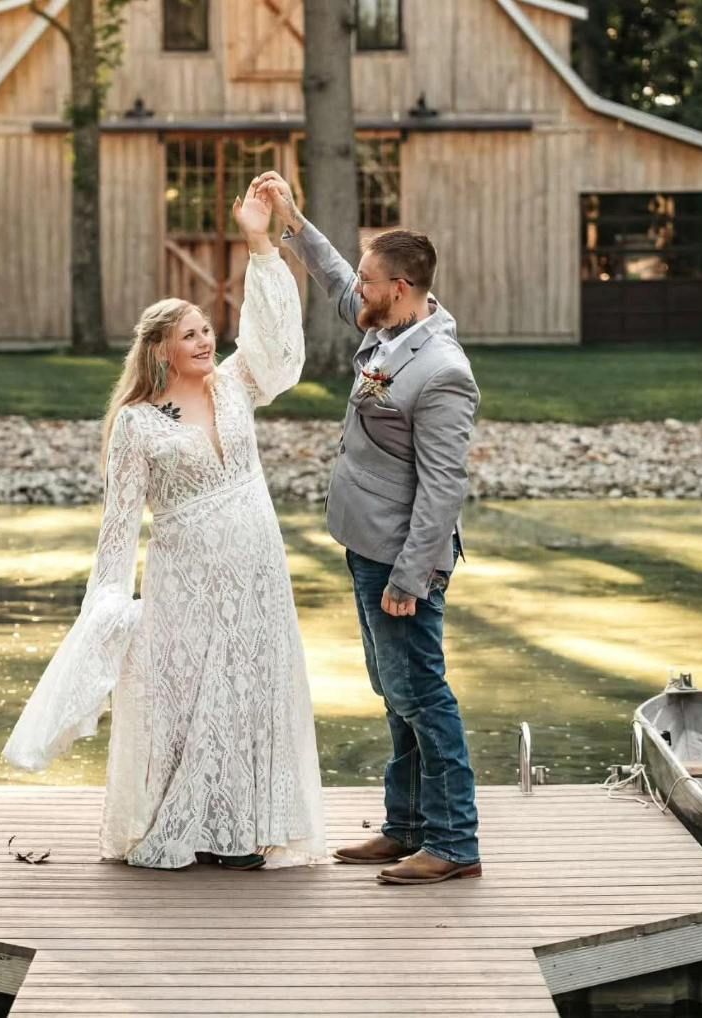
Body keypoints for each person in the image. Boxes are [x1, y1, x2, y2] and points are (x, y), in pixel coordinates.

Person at [1, 181, 328, 872]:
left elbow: (277, 346)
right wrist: (109, 602)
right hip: (187, 576)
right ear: (160, 350)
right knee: (188, 692)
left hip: (258, 568)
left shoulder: (236, 385)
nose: (207, 339)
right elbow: (119, 525)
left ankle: (250, 829)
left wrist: (260, 243)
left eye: (208, 328)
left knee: (254, 688)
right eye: (191, 334)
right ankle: (189, 824)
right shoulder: (137, 425)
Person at [253, 170, 481, 886]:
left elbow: (445, 487)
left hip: (401, 559)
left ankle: (454, 843)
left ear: (404, 288)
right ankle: (404, 827)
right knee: (396, 692)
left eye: (374, 282)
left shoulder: (441, 370)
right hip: (366, 545)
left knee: (423, 696)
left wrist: (413, 577)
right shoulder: (391, 329)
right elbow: (337, 281)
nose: (361, 291)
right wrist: (292, 222)